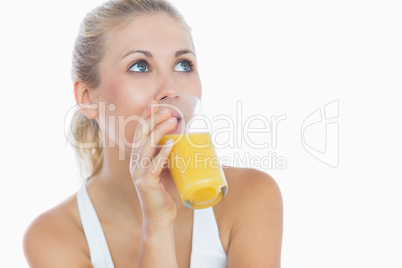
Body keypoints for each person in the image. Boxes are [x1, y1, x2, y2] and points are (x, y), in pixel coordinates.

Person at [23, 0, 283, 267]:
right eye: (140, 66)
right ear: (88, 98)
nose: (171, 89)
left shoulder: (249, 196)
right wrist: (157, 224)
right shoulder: (54, 236)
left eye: (183, 65)